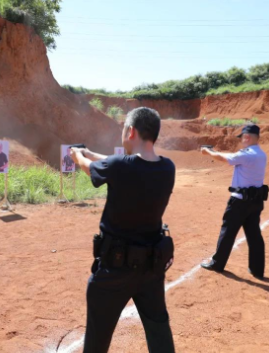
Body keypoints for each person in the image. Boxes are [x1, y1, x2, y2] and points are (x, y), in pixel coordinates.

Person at [70, 107, 176, 353]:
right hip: (151, 269)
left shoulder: (120, 167)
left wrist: (78, 156)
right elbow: (117, 163)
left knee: (97, 338)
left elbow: (91, 167)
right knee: (159, 333)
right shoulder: (167, 168)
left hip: (113, 270)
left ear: (131, 131)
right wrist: (89, 152)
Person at [200, 124, 268, 279]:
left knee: (228, 232)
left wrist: (209, 152)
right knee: (254, 235)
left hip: (239, 202)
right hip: (255, 202)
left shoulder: (247, 154)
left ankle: (217, 263)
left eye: (243, 138)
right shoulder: (261, 154)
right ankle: (257, 269)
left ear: (247, 137)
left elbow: (225, 158)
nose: (242, 141)